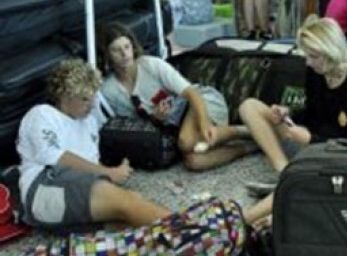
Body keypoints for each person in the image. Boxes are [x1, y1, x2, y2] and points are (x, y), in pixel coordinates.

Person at [240, 16, 347, 224]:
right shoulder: (316, 72)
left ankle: (244, 219)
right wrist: (288, 114)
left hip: (335, 156)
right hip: (309, 139)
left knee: (301, 178)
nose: (308, 62)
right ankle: (283, 171)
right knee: (249, 106)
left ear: (330, 53)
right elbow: (313, 112)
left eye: (313, 56)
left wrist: (312, 140)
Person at [16, 58, 170, 229]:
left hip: (74, 186)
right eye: (84, 99)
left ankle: (178, 236)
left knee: (136, 212)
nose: (91, 105)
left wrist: (113, 173)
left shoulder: (88, 120)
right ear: (64, 96)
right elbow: (56, 158)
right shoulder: (42, 115)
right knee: (128, 203)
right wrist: (108, 172)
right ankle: (189, 232)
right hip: (44, 187)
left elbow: (90, 163)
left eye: (92, 98)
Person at [99, 23, 252, 171]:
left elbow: (192, 93)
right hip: (174, 126)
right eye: (116, 50)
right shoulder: (110, 90)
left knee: (186, 142)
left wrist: (204, 122)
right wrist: (155, 118)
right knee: (194, 161)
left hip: (199, 102)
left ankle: (246, 131)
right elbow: (134, 126)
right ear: (107, 54)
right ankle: (250, 146)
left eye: (127, 47)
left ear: (133, 47)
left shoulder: (151, 65)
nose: (124, 54)